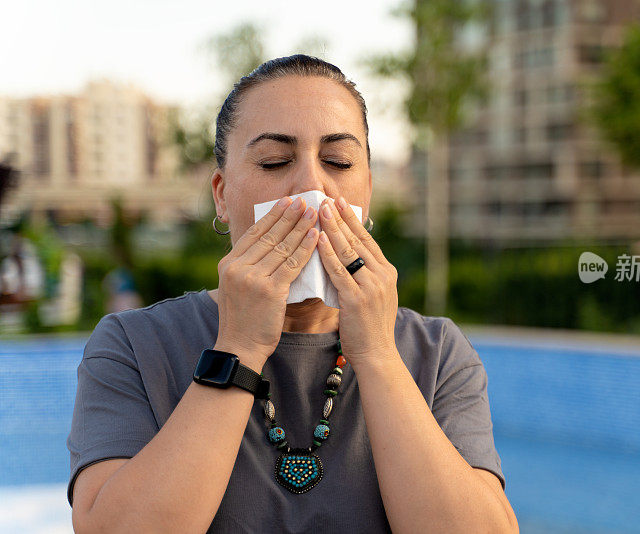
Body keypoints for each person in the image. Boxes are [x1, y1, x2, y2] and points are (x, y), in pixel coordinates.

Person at [67, 54, 518, 533]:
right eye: (275, 161)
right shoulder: (135, 345)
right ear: (221, 195)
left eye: (338, 162)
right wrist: (238, 347)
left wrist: (378, 352)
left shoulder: (437, 353)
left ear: (367, 190)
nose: (311, 185)